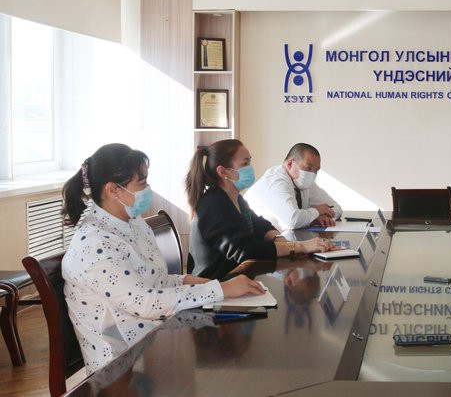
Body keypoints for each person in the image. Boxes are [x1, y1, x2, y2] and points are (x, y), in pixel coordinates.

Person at [61, 143, 265, 374]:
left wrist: (194, 281)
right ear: (113, 190)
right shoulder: (95, 244)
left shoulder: (133, 223)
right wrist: (219, 290)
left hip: (153, 337)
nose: (148, 189)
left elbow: (155, 279)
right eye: (142, 183)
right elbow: (145, 302)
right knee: (226, 361)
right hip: (122, 365)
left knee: (232, 351)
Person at [186, 139, 335, 280]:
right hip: (215, 288)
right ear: (223, 172)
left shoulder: (236, 199)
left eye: (249, 162)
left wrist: (280, 239)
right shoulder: (214, 205)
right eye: (245, 163)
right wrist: (300, 246)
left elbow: (260, 225)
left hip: (237, 280)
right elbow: (246, 250)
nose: (250, 168)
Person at [246, 143, 342, 230]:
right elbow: (292, 220)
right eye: (308, 167)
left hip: (286, 237)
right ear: (290, 164)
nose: (312, 174)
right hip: (259, 238)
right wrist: (317, 212)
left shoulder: (304, 181)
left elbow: (336, 208)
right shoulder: (276, 181)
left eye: (316, 170)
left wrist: (316, 218)